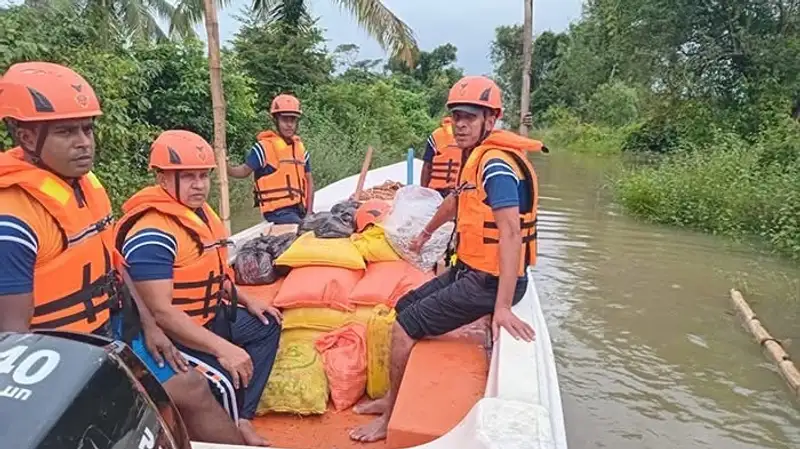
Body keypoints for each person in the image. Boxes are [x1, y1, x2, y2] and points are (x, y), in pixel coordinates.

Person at [0, 61, 248, 446]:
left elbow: (114, 266)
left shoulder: (85, 186)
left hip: (111, 331)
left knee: (192, 390)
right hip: (61, 359)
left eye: (87, 128)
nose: (84, 142)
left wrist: (149, 326)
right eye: (66, 132)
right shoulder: (13, 220)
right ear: (27, 136)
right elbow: (11, 340)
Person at [349, 75, 543, 442]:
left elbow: (511, 233)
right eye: (456, 117)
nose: (461, 124)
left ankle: (388, 418)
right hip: (470, 270)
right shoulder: (477, 159)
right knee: (404, 304)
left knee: (403, 328)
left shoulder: (497, 166)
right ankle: (393, 395)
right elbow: (455, 201)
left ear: (492, 119)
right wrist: (425, 232)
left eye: (471, 117)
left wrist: (501, 307)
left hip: (491, 281)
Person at [114, 129, 283, 446]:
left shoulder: (201, 214)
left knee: (266, 325)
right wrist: (223, 348)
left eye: (204, 176)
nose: (200, 185)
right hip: (176, 330)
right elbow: (161, 312)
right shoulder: (152, 232)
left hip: (207, 314)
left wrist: (248, 299)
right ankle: (231, 435)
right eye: (188, 177)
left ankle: (242, 418)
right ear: (163, 178)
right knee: (224, 380)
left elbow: (214, 274)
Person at [227, 94, 314, 224]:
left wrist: (309, 213)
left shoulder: (300, 149)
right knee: (303, 229)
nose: (289, 125)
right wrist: (226, 167)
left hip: (299, 209)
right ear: (275, 120)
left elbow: (309, 182)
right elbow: (244, 171)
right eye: (285, 120)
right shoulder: (263, 148)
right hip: (277, 212)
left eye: (293, 120)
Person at [420, 115, 462, 197]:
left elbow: (426, 166)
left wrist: (423, 193)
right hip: (457, 193)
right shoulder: (468, 137)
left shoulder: (436, 135)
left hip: (434, 193)